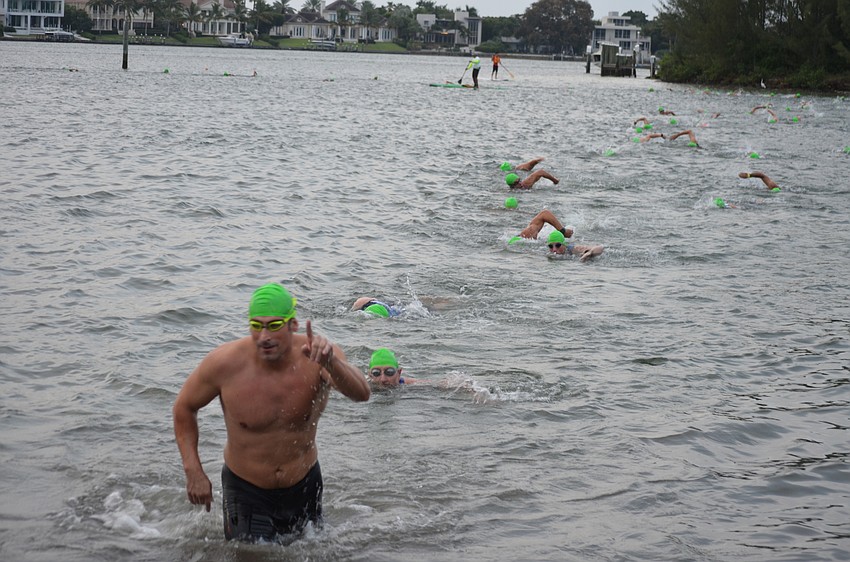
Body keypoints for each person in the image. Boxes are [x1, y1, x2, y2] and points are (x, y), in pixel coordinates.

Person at [173, 283, 371, 543]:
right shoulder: (224, 364)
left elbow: (362, 394)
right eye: (256, 326)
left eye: (274, 325)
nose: (264, 336)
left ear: (293, 325)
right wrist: (193, 471)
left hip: (305, 482)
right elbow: (184, 408)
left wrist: (331, 363)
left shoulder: (317, 357)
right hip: (245, 489)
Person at [513, 210, 603, 262]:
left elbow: (600, 248)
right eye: (551, 246)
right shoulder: (539, 249)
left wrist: (589, 253)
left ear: (564, 244)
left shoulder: (572, 249)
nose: (554, 249)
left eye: (558, 245)